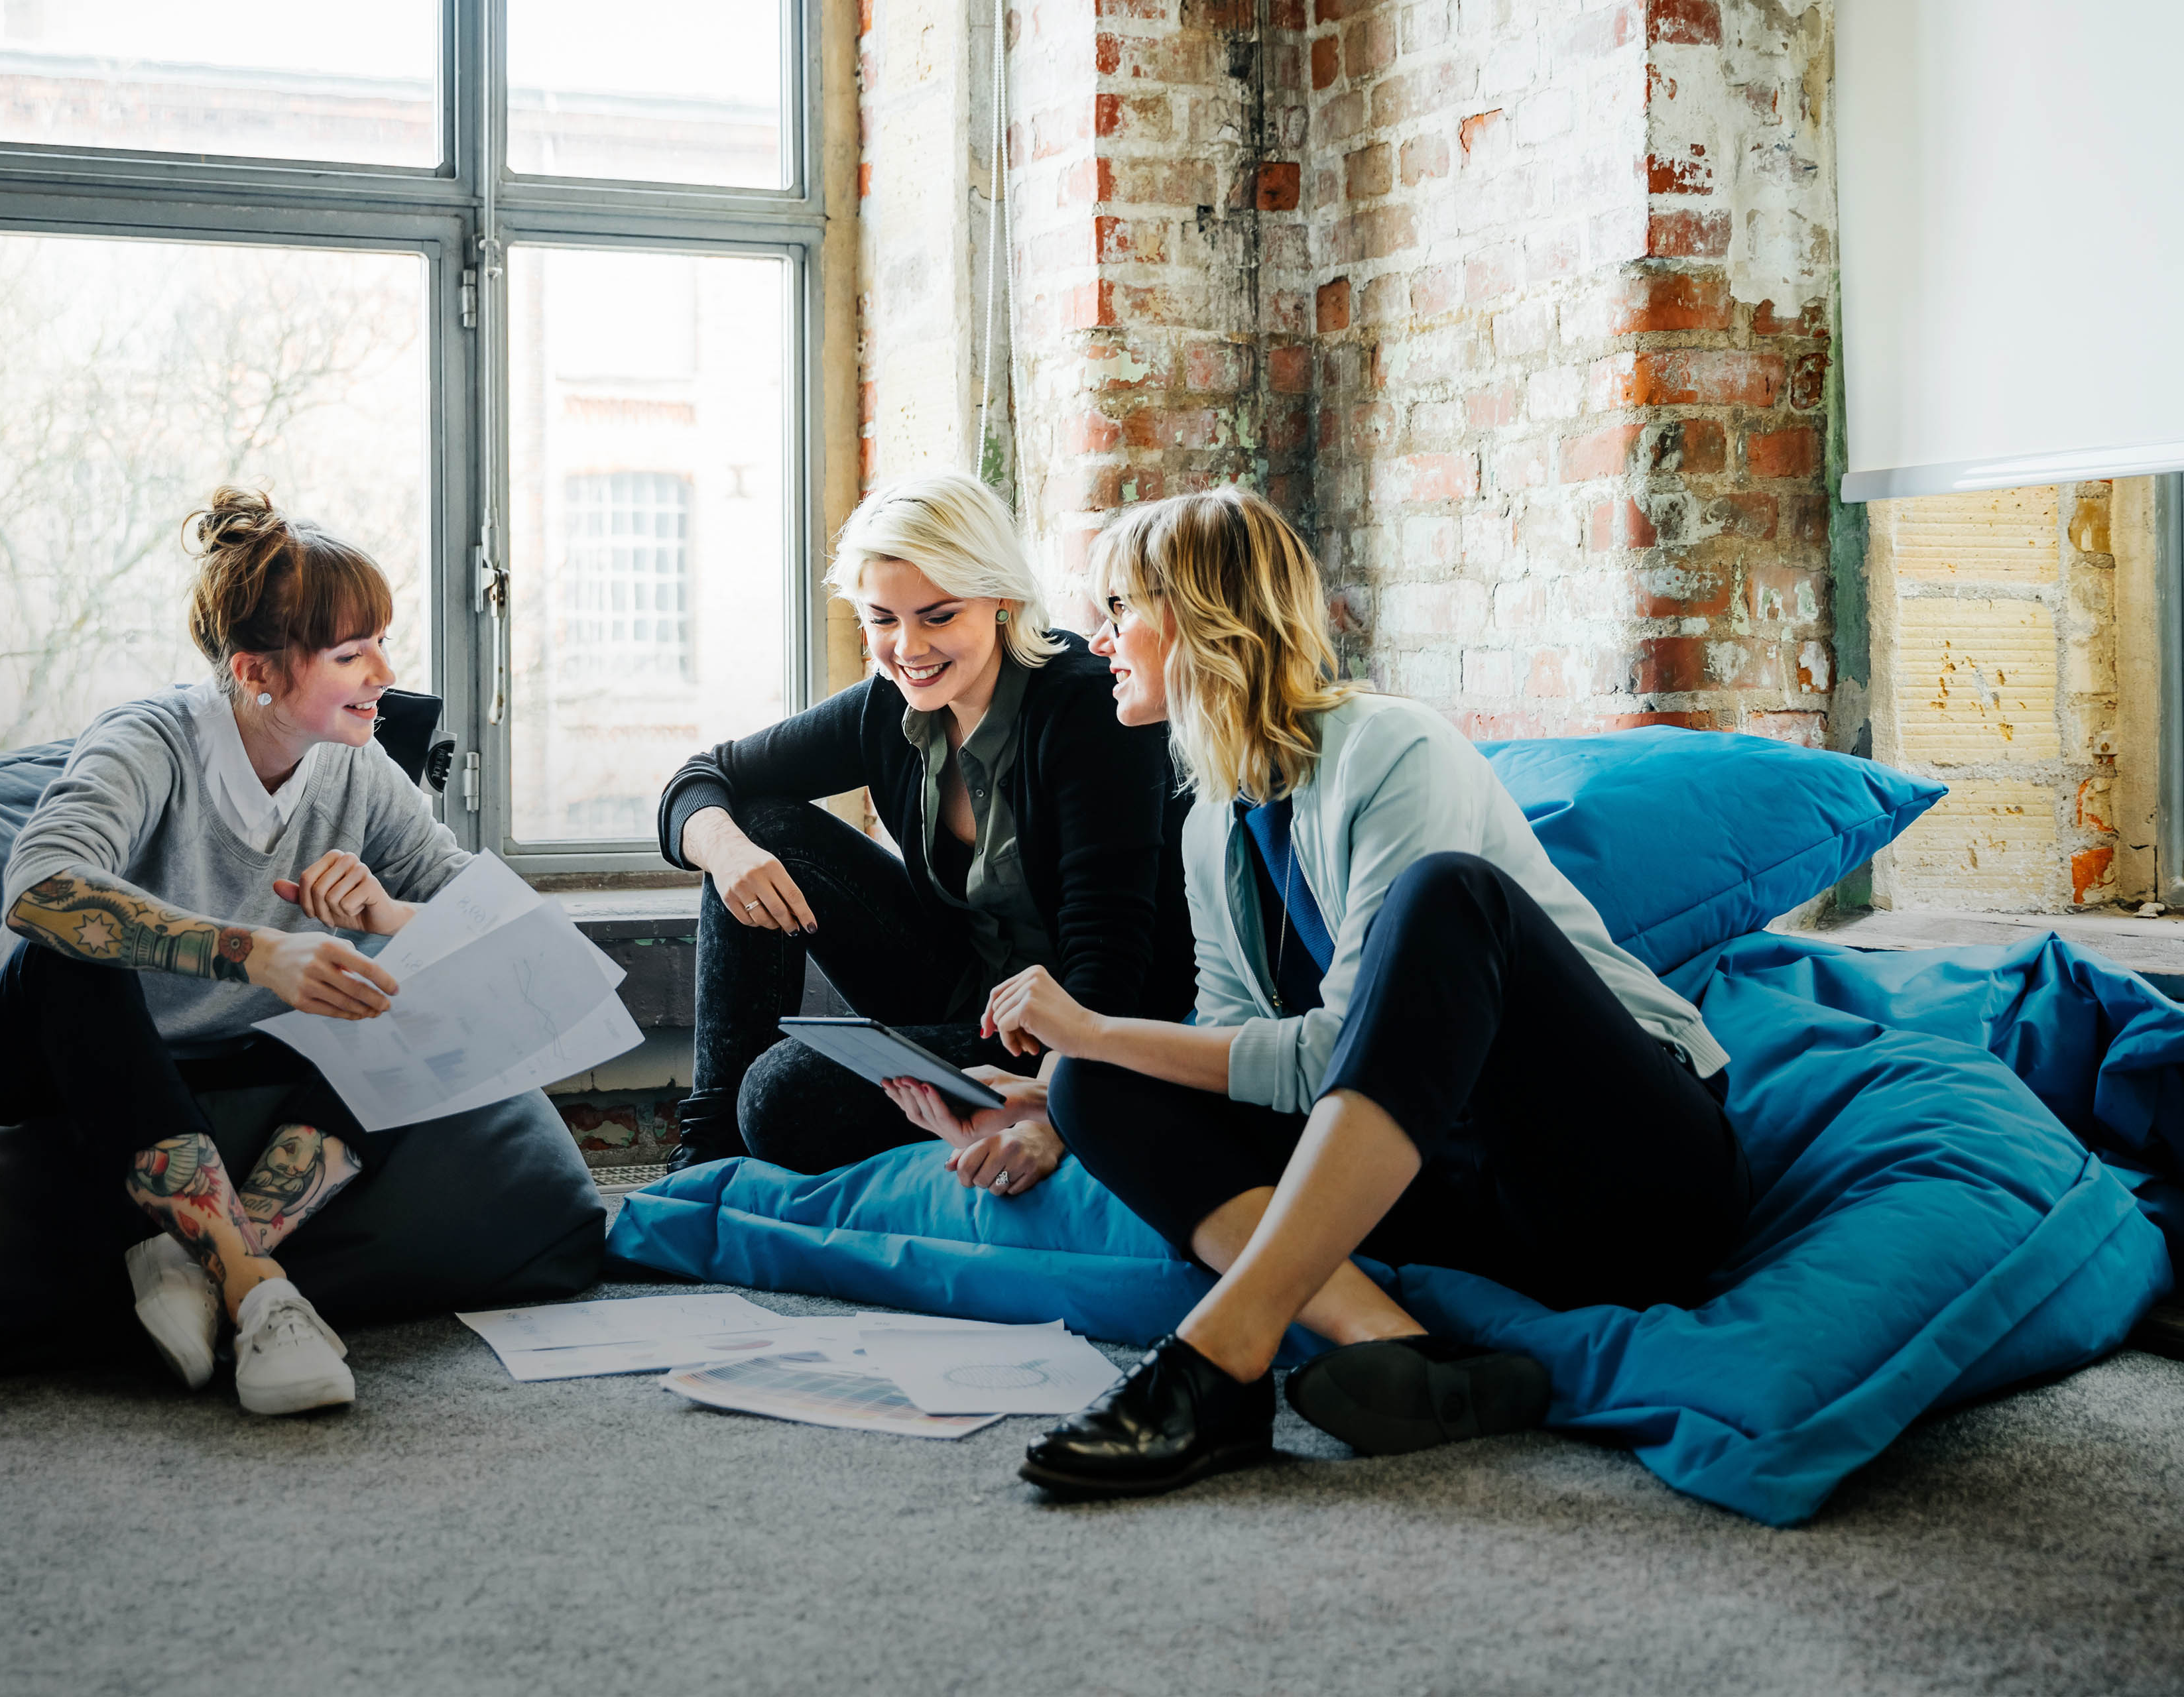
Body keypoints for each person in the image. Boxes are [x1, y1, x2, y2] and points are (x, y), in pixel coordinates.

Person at [977, 485, 1750, 1498]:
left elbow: (1331, 1051)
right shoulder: (1210, 825)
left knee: (1450, 896)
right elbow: (1241, 1052)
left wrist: (1098, 1026)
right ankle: (1401, 1347)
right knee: (1092, 1084)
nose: (1100, 636)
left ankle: (1223, 1354)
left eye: (1121, 608)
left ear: (1205, 617)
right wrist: (1081, 1073)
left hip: (1626, 1177)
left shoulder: (1393, 748)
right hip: (1447, 1189)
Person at [0, 487, 481, 1418]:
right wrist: (257, 953)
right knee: (67, 955)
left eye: (380, 641)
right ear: (257, 673)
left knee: (412, 984)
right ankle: (263, 1295)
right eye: (351, 654)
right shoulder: (149, 744)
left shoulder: (357, 765)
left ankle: (202, 1262)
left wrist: (385, 914)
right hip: (42, 1069)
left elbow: (483, 920)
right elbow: (40, 890)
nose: (385, 670)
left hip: (221, 1077)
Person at [656, 471, 1195, 1187]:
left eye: (938, 616)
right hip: (960, 996)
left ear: (1002, 599)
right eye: (882, 619)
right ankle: (707, 1159)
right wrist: (725, 850)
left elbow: (1110, 963)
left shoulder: (1089, 705)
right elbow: (700, 779)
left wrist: (1061, 1106)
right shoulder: (888, 702)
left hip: (1074, 1023)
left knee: (785, 1094)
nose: (907, 647)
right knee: (759, 825)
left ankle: (753, 1133)